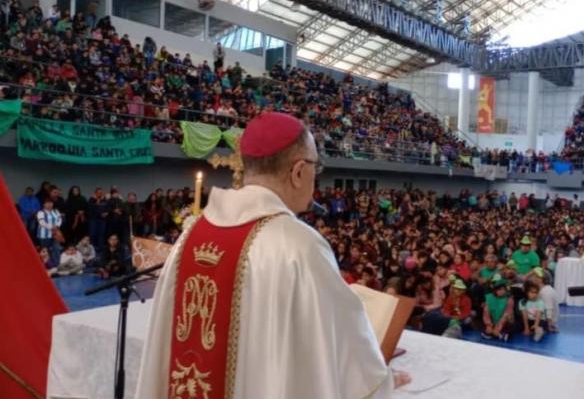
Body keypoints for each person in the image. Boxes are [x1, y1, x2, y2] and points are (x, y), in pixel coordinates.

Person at [136, 113, 409, 398]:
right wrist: (384, 381)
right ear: (298, 171)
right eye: (316, 168)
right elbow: (349, 356)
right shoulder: (299, 247)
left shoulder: (191, 236)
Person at [36, 199, 63, 266]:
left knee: (56, 249)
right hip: (44, 235)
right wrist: (51, 227)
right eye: (47, 203)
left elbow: (59, 219)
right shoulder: (40, 212)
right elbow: (41, 222)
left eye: (50, 203)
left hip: (55, 234)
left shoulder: (56, 211)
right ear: (44, 204)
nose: (49, 204)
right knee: (45, 251)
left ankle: (56, 265)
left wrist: (57, 226)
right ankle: (44, 266)